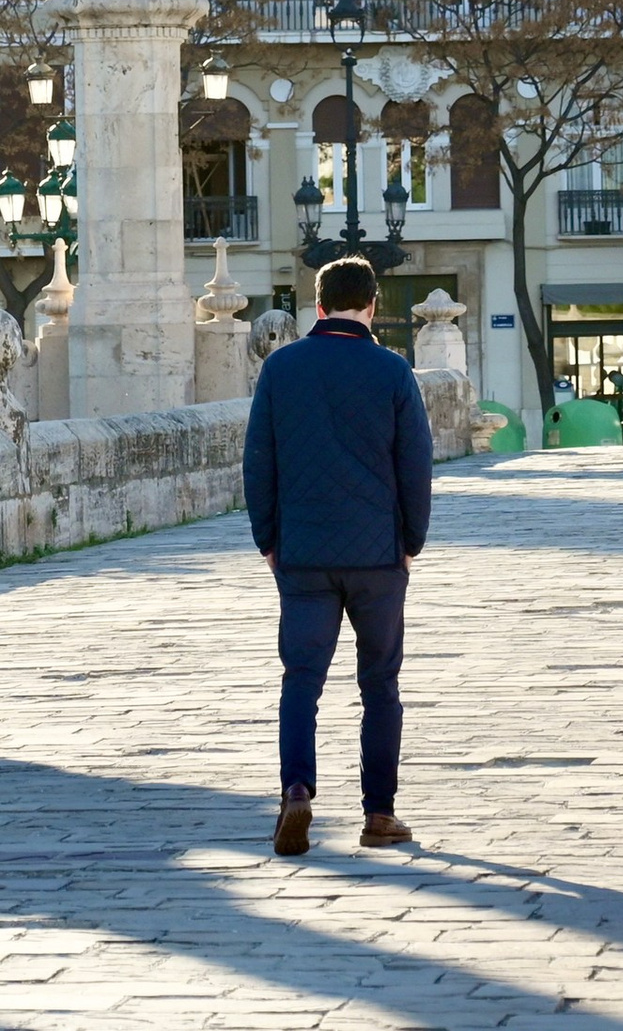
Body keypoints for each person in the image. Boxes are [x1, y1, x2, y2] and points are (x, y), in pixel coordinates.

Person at [243, 254, 433, 857]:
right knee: (380, 684)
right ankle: (379, 815)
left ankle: (296, 789)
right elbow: (416, 468)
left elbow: (258, 463)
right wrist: (410, 545)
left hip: (302, 553)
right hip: (378, 555)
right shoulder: (394, 372)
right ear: (373, 305)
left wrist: (269, 541)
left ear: (317, 306)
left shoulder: (281, 368)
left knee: (301, 679)